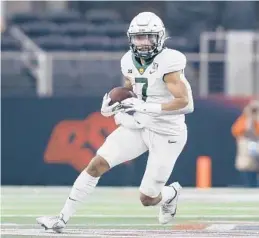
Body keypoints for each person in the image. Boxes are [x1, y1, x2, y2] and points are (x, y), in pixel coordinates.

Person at [36, 12, 194, 232]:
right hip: (139, 125)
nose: (143, 43)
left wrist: (147, 107)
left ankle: (172, 193)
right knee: (96, 164)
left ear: (160, 38)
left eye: (148, 37)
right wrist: (112, 102)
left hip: (167, 132)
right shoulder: (127, 60)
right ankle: (61, 219)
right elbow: (131, 86)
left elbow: (186, 104)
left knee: (147, 198)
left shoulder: (170, 61)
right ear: (131, 39)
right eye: (139, 38)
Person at [231, 100, 259, 187]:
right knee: (247, 167)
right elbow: (237, 131)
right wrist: (249, 116)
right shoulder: (244, 120)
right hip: (247, 152)